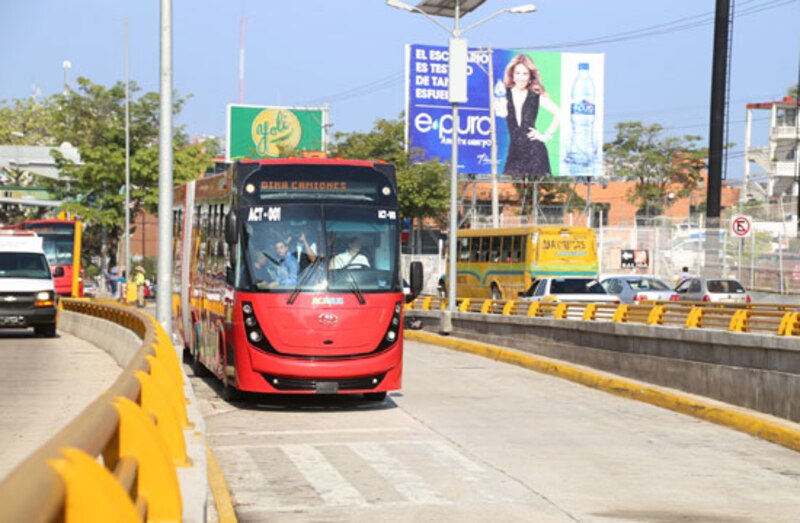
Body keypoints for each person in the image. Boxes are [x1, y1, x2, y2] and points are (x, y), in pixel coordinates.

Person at [495, 54, 560, 177]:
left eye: (525, 74)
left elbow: (559, 113)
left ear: (530, 76)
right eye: (518, 73)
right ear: (512, 75)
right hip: (514, 152)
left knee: (538, 192)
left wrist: (546, 136)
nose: (521, 77)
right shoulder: (503, 93)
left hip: (535, 153)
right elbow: (499, 113)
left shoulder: (534, 96)